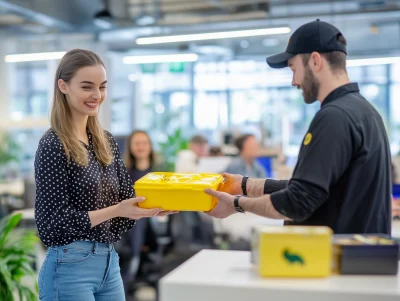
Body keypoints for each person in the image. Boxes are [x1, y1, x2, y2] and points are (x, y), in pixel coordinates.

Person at [205, 19, 392, 235]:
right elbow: (310, 189)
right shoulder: (364, 112)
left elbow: (298, 202)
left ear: (314, 61)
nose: (294, 81)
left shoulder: (334, 117)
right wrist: (243, 185)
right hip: (359, 258)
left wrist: (236, 204)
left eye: (294, 68)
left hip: (336, 260)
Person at [34, 49, 176, 301]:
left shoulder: (106, 142)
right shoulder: (53, 144)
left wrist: (150, 207)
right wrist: (116, 210)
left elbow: (125, 202)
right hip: (69, 268)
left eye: (102, 87)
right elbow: (54, 224)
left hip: (109, 263)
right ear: (63, 86)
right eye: (87, 87)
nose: (97, 96)